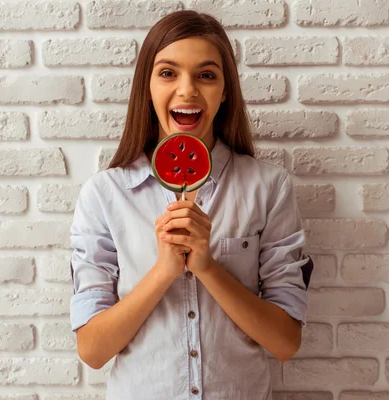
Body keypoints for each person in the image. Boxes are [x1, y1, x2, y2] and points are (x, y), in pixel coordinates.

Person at [69, 10, 313, 400]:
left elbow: (285, 343)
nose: (187, 90)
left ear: (225, 90)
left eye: (206, 75)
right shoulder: (104, 194)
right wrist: (166, 269)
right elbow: (93, 351)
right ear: (146, 86)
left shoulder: (269, 188)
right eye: (168, 73)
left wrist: (207, 266)